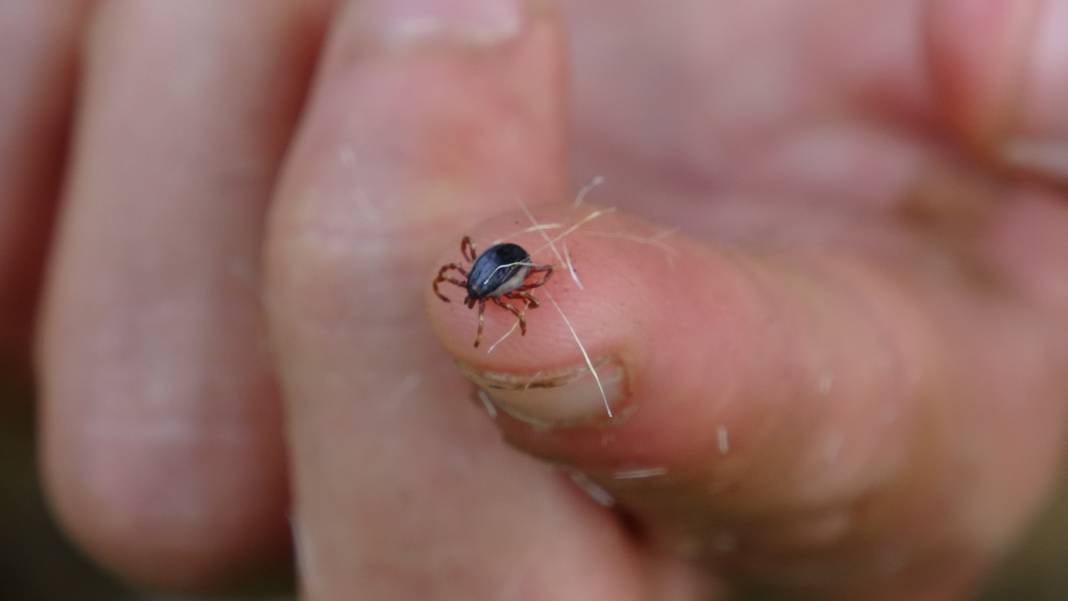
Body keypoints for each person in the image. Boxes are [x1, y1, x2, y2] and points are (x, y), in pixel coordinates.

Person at [2, 0, 1067, 598]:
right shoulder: (495, 276)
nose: (485, 284)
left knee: (530, 305)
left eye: (485, 278)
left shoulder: (491, 273)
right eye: (482, 280)